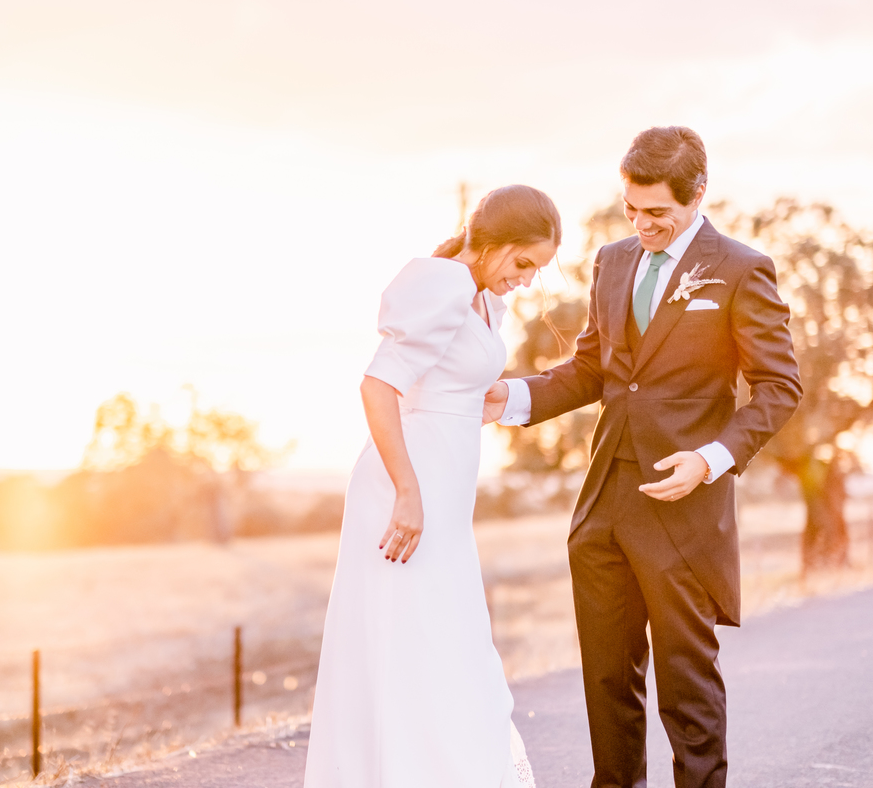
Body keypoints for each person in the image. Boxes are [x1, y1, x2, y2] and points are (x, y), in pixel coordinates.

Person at [485, 126, 802, 788]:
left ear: (697, 196)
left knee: (687, 697)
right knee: (606, 687)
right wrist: (509, 398)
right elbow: (592, 371)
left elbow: (779, 388)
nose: (641, 224)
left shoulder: (742, 270)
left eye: (656, 212)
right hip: (603, 508)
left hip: (683, 511)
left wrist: (712, 458)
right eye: (631, 209)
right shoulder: (611, 261)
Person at [304, 185, 562, 788]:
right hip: (405, 496)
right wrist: (408, 491)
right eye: (522, 264)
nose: (525, 281)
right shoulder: (444, 283)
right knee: (414, 647)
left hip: (444, 499)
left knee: (445, 647)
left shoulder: (481, 300)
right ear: (493, 243)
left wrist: (494, 399)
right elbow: (378, 388)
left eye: (537, 271)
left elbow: (456, 385)